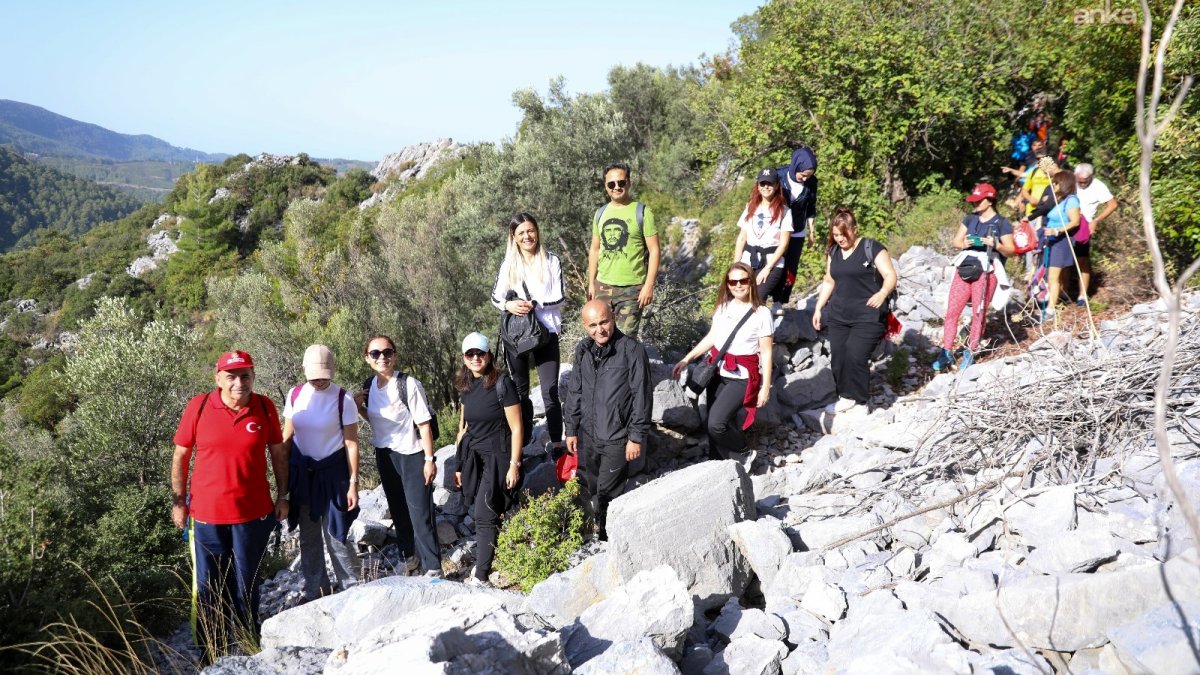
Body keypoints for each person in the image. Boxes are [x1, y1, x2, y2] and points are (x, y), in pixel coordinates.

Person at [170, 351, 288, 657]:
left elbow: (278, 454)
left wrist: (283, 496)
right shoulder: (199, 407)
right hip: (207, 516)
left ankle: (250, 648)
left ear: (253, 377)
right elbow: (181, 455)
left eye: (245, 375)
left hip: (254, 515)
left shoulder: (264, 406)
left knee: (247, 586)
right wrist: (178, 501)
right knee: (209, 590)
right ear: (218, 378)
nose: (239, 383)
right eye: (232, 376)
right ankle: (211, 655)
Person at [563, 300, 651, 541]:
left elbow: (642, 397)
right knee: (592, 487)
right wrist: (571, 428)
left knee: (608, 492)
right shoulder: (583, 350)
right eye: (592, 325)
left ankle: (607, 539)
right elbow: (575, 391)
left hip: (617, 438)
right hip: (588, 436)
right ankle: (595, 529)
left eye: (604, 322)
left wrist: (635, 437)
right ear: (584, 326)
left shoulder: (632, 350)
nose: (599, 330)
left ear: (613, 318)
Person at [354, 335, 441, 577]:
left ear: (395, 355)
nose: (382, 357)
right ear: (367, 358)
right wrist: (359, 407)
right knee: (398, 510)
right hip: (385, 454)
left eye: (387, 352)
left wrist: (429, 459)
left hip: (412, 455)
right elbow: (376, 421)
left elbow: (424, 423)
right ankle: (409, 557)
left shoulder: (408, 384)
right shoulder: (369, 386)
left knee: (420, 513)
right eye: (375, 353)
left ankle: (433, 568)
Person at [671, 263, 774, 466]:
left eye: (743, 280)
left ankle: (744, 451)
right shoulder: (723, 308)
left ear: (751, 282)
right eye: (732, 281)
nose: (737, 285)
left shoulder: (762, 314)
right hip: (718, 371)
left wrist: (765, 387)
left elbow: (767, 353)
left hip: (743, 376)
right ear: (727, 284)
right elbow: (713, 338)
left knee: (715, 424)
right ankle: (718, 464)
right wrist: (687, 358)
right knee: (718, 423)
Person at [281, 344, 361, 601]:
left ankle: (353, 589)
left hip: (334, 474)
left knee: (337, 534)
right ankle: (317, 590)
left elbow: (351, 443)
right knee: (309, 536)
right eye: (314, 374)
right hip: (304, 475)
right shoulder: (294, 395)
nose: (318, 380)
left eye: (323, 375)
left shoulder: (343, 399)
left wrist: (353, 483)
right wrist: (281, 485)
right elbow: (287, 436)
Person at [451, 332, 522, 587]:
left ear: (489, 354)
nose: (475, 358)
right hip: (474, 456)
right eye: (470, 354)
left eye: (480, 353)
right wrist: (458, 465)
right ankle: (497, 554)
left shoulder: (502, 383)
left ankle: (481, 575)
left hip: (498, 455)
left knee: (483, 513)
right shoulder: (466, 386)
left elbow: (516, 428)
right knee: (484, 508)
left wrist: (514, 464)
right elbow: (464, 429)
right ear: (464, 358)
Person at [811, 208, 898, 414]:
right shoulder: (834, 252)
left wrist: (883, 293)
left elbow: (890, 275)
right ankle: (845, 397)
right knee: (839, 357)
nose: (840, 239)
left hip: (869, 314)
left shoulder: (871, 247)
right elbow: (829, 280)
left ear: (854, 229)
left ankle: (860, 402)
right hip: (839, 315)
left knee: (856, 354)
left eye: (843, 234)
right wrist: (818, 307)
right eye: (835, 235)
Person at [491, 212, 565, 451]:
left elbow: (560, 296)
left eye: (530, 230)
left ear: (537, 231)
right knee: (520, 391)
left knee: (550, 390)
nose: (527, 236)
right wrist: (508, 305)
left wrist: (535, 303)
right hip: (517, 336)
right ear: (513, 237)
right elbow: (496, 297)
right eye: (521, 232)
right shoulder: (508, 265)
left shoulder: (551, 260)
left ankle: (556, 444)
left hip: (547, 333)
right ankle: (522, 444)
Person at [931, 185, 1016, 372]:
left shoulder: (1002, 223)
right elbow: (956, 241)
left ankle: (970, 353)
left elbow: (1011, 250)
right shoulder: (970, 218)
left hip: (987, 270)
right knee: (952, 311)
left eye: (978, 200)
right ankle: (946, 352)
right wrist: (965, 243)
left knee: (979, 313)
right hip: (965, 268)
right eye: (974, 200)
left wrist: (995, 244)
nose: (975, 203)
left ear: (990, 200)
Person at [587, 162, 660, 337]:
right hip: (603, 287)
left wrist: (648, 285)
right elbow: (595, 249)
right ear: (606, 186)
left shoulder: (643, 212)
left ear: (628, 182)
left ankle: (626, 365)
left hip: (632, 290)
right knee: (601, 337)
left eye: (621, 182)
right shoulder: (600, 213)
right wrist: (591, 283)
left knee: (626, 340)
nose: (616, 187)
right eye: (611, 184)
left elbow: (655, 250)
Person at [732, 169, 793, 302]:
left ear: (777, 185)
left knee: (758, 297)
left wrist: (767, 269)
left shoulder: (785, 212)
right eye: (763, 183)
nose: (766, 187)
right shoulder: (750, 208)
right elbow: (742, 237)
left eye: (770, 183)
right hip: (748, 259)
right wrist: (736, 265)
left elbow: (784, 244)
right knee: (741, 297)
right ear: (758, 186)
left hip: (771, 261)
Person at [774, 147, 818, 308]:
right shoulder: (778, 176)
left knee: (791, 267)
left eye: (809, 176)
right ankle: (762, 298)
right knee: (774, 262)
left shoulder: (812, 183)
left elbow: (811, 208)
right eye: (803, 174)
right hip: (777, 228)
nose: (805, 179)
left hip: (798, 229)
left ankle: (779, 302)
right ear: (796, 166)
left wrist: (811, 232)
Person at [1036, 170, 1082, 322]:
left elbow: (1075, 221)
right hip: (1053, 240)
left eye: (1055, 182)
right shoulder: (1060, 200)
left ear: (1063, 183)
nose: (1053, 185)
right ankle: (1054, 303)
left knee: (1053, 277)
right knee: (1053, 275)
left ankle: (1050, 310)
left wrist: (1057, 231)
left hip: (1061, 241)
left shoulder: (1071, 201)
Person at [1071, 163, 1118, 305]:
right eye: (1080, 181)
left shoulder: (1098, 186)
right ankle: (1062, 292)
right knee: (1064, 261)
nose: (1082, 184)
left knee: (1082, 260)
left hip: (1084, 227)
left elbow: (1113, 204)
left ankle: (1082, 296)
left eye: (1085, 181)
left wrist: (1097, 220)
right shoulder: (1070, 181)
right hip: (1066, 223)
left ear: (1091, 177)